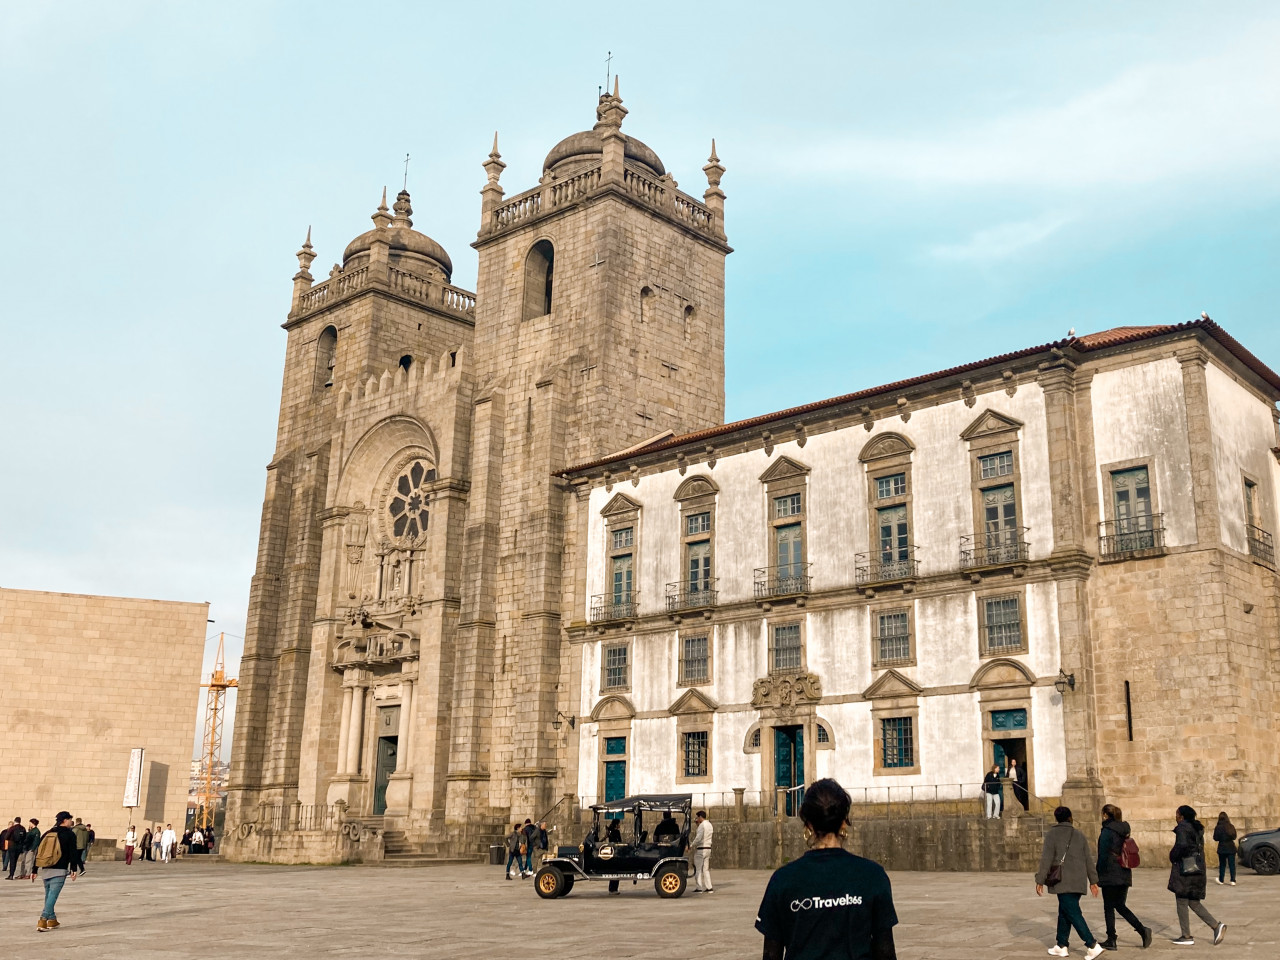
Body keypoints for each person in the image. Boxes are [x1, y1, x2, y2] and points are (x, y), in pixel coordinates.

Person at [756, 778, 898, 960]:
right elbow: (885, 951)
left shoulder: (783, 879)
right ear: (844, 821)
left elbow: (771, 954)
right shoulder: (873, 876)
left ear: (808, 824)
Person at [1035, 805, 1104, 959]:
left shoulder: (1052, 834)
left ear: (1056, 818)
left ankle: (1092, 945)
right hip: (1078, 881)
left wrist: (1040, 880)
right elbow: (1088, 859)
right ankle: (1061, 945)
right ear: (1070, 817)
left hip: (1063, 881)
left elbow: (1046, 859)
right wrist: (1093, 881)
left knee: (1073, 912)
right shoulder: (1079, 835)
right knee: (1064, 911)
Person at [1096, 804, 1151, 950]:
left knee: (1109, 907)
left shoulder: (1107, 831)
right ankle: (1142, 930)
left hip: (1110, 872)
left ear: (1106, 815)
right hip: (1124, 871)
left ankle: (1111, 939)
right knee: (1119, 905)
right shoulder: (1124, 829)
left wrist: (1097, 875)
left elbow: (1102, 855)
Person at [1168, 805, 1225, 946]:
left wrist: (1173, 856)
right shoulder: (1197, 828)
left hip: (1186, 870)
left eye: (1176, 814)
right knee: (1193, 901)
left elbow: (1181, 846)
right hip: (1198, 869)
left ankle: (1186, 935)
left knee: (1181, 899)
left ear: (1181, 816)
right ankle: (1216, 926)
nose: (1175, 817)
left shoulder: (1183, 828)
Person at [36, 811, 79, 932]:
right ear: (65, 820)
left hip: (45, 867)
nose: (71, 822)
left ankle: (52, 920)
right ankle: (43, 920)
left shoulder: (48, 833)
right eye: (70, 820)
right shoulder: (69, 834)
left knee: (49, 895)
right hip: (59, 869)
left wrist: (35, 869)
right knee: (53, 896)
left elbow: (39, 851)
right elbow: (73, 853)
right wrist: (74, 869)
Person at [691, 810, 714, 894]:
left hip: (701, 848)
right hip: (708, 848)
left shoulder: (702, 826)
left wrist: (691, 845)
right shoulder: (710, 825)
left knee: (698, 869)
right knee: (706, 869)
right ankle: (709, 887)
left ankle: (699, 887)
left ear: (700, 817)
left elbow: (698, 838)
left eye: (697, 817)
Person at [1213, 811, 1237, 886]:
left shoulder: (1218, 827)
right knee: (1232, 865)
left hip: (1222, 847)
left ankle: (1221, 879)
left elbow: (1215, 838)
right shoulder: (1231, 826)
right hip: (1231, 847)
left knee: (1222, 864)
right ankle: (1233, 880)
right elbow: (1234, 836)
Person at [606, 818, 624, 895]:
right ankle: (613, 889)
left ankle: (612, 888)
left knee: (613, 871)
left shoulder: (610, 832)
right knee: (616, 872)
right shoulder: (616, 832)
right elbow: (619, 842)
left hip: (611, 852)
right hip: (616, 853)